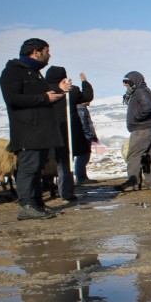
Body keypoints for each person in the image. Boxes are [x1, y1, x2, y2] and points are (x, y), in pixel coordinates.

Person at [0, 38, 71, 220]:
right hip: (27, 130)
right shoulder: (13, 72)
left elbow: (40, 93)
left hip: (41, 130)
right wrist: (44, 98)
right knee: (29, 167)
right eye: (47, 51)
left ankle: (37, 204)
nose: (49, 55)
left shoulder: (34, 73)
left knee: (37, 168)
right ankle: (26, 206)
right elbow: (13, 98)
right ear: (35, 52)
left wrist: (57, 89)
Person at [45, 67, 94, 201]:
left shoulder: (43, 92)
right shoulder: (71, 91)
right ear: (63, 78)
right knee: (65, 163)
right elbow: (88, 96)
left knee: (45, 164)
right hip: (68, 132)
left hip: (47, 133)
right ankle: (66, 192)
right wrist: (85, 82)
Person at [115, 71, 151, 191]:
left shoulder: (140, 92)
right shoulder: (142, 91)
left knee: (133, 155)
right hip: (148, 128)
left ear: (135, 81)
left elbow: (148, 107)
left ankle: (132, 183)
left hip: (142, 128)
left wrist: (136, 118)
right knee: (148, 155)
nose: (125, 85)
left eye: (127, 82)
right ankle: (149, 183)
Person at [75, 101, 99, 185]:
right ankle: (80, 177)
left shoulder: (81, 108)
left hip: (84, 136)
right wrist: (91, 134)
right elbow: (84, 124)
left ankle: (82, 176)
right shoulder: (81, 109)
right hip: (85, 136)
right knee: (83, 156)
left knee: (83, 156)